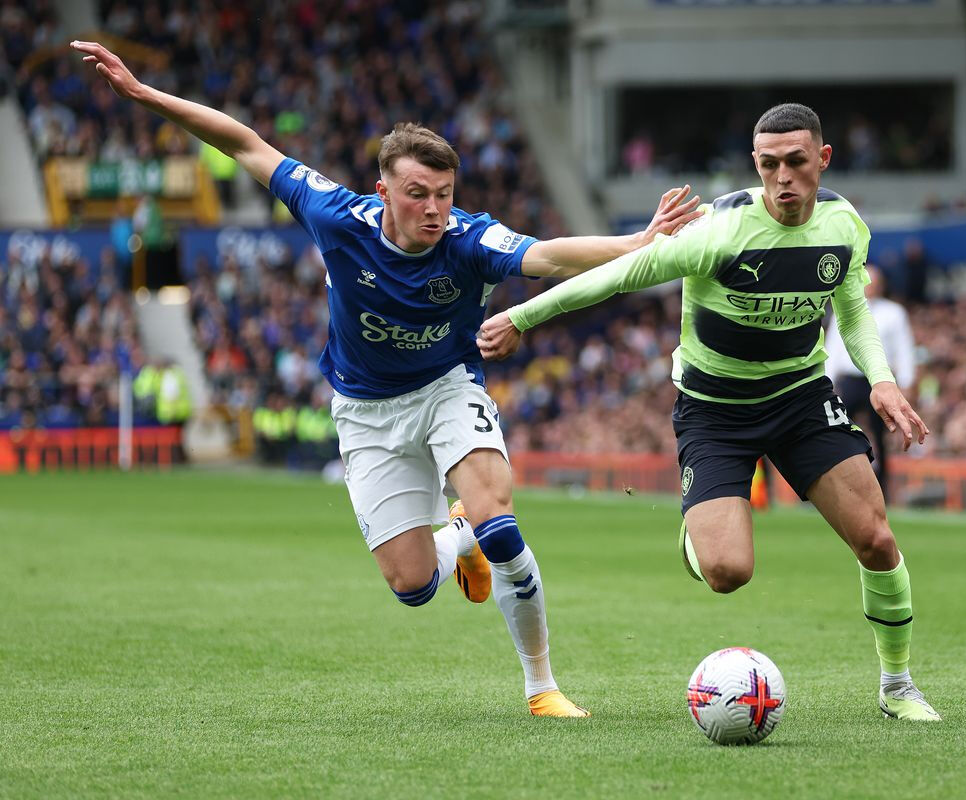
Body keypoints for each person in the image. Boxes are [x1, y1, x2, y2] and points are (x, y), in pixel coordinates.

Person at [73, 40, 700, 717]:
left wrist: (635, 243)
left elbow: (547, 255)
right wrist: (144, 95)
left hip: (448, 388)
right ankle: (458, 533)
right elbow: (244, 143)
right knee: (413, 586)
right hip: (366, 411)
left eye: (444, 195)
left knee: (501, 523)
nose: (434, 209)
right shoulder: (338, 218)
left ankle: (541, 687)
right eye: (417, 194)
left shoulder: (468, 240)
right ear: (384, 192)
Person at [480, 103, 941, 721]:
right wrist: (521, 315)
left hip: (801, 397)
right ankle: (698, 529)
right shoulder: (718, 233)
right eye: (769, 164)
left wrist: (881, 380)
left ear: (823, 159)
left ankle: (897, 685)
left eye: (796, 161)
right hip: (715, 410)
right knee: (727, 572)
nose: (782, 177)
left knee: (877, 539)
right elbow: (618, 276)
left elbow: (851, 308)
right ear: (755, 163)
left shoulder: (843, 225)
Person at [825, 266, 916, 501]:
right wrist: (828, 380)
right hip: (849, 380)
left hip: (878, 381)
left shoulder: (894, 313)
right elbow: (834, 345)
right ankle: (830, 487)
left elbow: (904, 349)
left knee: (881, 435)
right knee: (835, 430)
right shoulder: (842, 307)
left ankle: (882, 490)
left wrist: (905, 381)